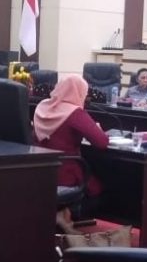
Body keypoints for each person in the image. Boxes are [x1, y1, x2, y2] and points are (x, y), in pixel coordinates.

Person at [33, 75, 109, 234]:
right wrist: (97, 128)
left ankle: (61, 214)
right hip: (66, 173)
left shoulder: (42, 106)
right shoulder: (74, 112)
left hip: (41, 172)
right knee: (99, 189)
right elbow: (101, 142)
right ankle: (66, 214)